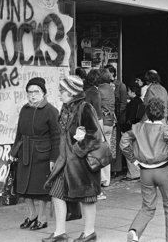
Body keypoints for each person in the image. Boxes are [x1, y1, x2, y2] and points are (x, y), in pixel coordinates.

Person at [43, 76, 102, 242]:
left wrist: (77, 148)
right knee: (56, 192)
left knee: (87, 197)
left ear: (71, 92)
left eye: (62, 90)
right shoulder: (65, 108)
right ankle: (59, 232)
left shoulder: (85, 108)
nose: (59, 94)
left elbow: (95, 136)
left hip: (81, 163)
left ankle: (89, 232)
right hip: (65, 160)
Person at [120, 97, 168, 242]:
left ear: (146, 112)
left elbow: (123, 143)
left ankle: (134, 231)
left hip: (145, 172)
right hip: (162, 170)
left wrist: (134, 160)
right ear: (163, 113)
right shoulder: (164, 129)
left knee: (147, 206)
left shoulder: (137, 128)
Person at [10, 77, 61, 231]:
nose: (32, 95)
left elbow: (56, 137)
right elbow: (19, 132)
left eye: (36, 92)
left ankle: (42, 217)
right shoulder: (24, 109)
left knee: (41, 188)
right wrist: (14, 151)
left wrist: (54, 158)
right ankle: (31, 215)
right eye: (29, 92)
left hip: (42, 154)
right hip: (25, 152)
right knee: (24, 187)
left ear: (43, 93)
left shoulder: (51, 111)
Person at [103, 64, 127, 174]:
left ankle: (116, 168)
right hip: (108, 118)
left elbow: (123, 103)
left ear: (112, 73)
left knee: (115, 143)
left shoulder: (121, 86)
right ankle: (109, 168)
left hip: (115, 119)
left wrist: (117, 115)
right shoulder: (104, 85)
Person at [120, 82, 144, 181]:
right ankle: (137, 170)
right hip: (139, 128)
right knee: (135, 150)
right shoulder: (141, 101)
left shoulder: (133, 103)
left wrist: (124, 129)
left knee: (124, 146)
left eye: (128, 91)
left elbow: (130, 118)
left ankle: (133, 172)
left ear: (133, 92)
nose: (127, 93)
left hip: (131, 128)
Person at [97, 68, 115, 189]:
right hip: (110, 122)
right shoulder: (111, 89)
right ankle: (107, 179)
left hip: (102, 122)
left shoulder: (99, 90)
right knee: (106, 150)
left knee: (99, 151)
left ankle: (101, 179)